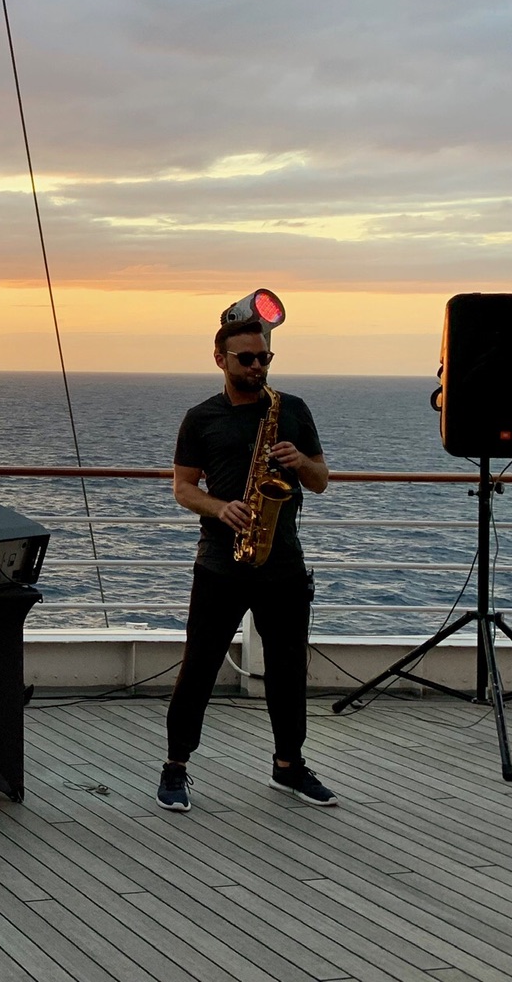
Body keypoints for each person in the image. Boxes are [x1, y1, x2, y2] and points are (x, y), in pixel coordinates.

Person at [158, 316, 334, 813]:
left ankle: (289, 766)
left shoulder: (290, 409)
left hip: (283, 562)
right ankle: (175, 766)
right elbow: (183, 488)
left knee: (288, 670)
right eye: (248, 358)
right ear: (221, 359)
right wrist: (220, 508)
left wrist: (300, 462)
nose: (258, 366)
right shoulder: (201, 418)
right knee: (199, 668)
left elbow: (321, 479)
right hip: (221, 563)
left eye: (265, 357)